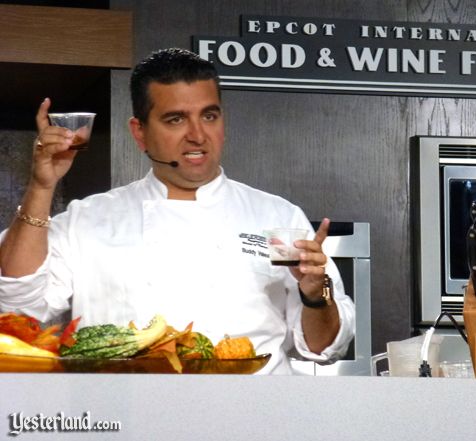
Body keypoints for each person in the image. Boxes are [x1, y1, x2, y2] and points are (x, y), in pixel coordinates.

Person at [0, 48, 355, 374]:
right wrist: (42, 187)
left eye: (209, 116)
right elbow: (17, 304)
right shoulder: (90, 219)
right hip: (126, 417)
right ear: (140, 133)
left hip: (253, 419)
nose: (198, 135)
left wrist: (316, 294)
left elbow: (323, 348)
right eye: (175, 120)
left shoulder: (276, 218)